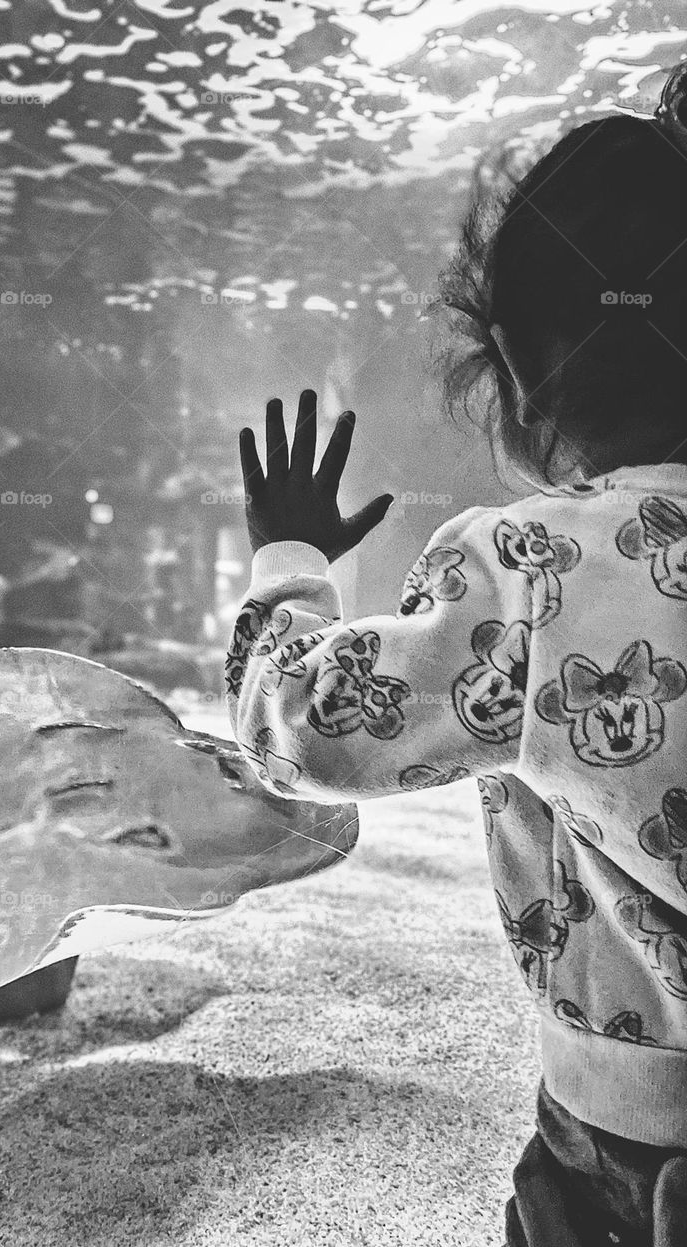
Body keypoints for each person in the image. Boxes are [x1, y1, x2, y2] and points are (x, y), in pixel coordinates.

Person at [226, 61, 687, 1247]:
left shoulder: (528, 569)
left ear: (527, 389)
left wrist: (289, 562)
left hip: (628, 1152)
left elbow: (301, 728)